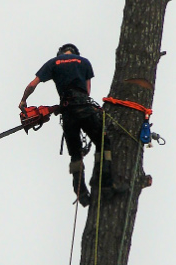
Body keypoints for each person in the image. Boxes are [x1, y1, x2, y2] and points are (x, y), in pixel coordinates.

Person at [19, 43, 120, 207]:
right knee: (104, 143)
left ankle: (81, 193)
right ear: (75, 53)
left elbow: (32, 84)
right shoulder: (84, 62)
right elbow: (86, 93)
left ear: (60, 53)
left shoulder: (53, 63)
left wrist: (24, 100)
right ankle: (105, 184)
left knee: (75, 154)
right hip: (84, 108)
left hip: (68, 112)